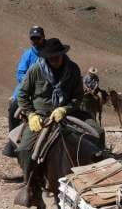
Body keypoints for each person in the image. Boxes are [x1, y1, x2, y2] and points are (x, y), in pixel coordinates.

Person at [15, 38, 105, 184]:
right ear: (46, 57)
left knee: (99, 132)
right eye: (51, 57)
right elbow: (22, 95)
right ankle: (31, 186)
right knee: (24, 150)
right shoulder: (36, 70)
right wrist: (31, 115)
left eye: (57, 56)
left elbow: (77, 96)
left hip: (69, 112)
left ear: (63, 54)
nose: (55, 60)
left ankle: (102, 168)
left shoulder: (73, 69)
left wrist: (65, 108)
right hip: (42, 115)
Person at [3, 25, 46, 158]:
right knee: (13, 107)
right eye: (32, 38)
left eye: (37, 38)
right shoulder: (28, 54)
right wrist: (30, 81)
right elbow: (20, 73)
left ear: (43, 37)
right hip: (27, 87)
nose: (35, 41)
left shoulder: (50, 51)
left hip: (47, 87)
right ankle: (12, 143)